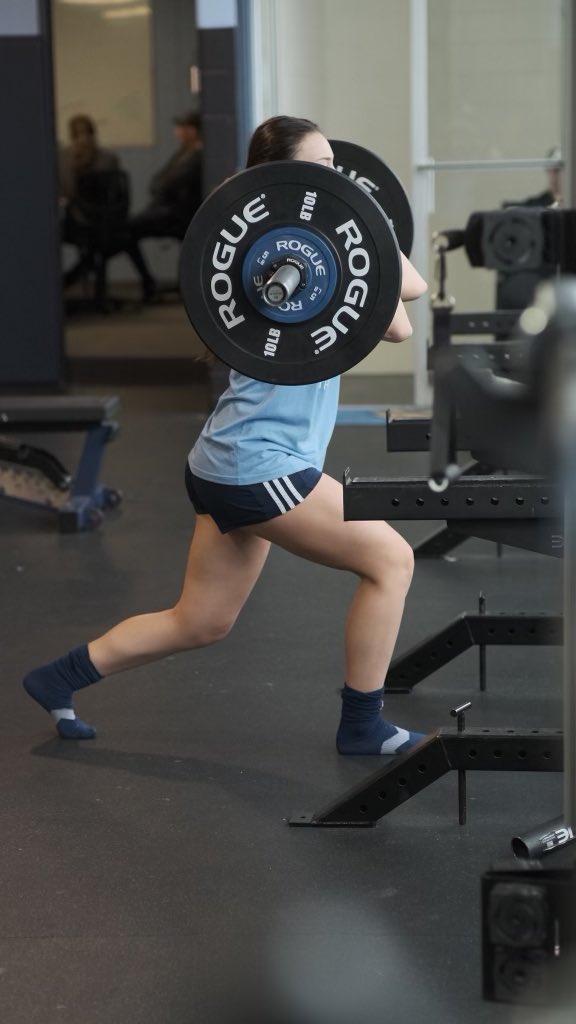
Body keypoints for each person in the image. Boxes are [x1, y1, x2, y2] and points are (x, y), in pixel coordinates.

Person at [23, 115, 428, 758]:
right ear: (282, 177)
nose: (336, 182)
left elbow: (398, 317)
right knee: (391, 561)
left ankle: (57, 678)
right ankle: (362, 725)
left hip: (228, 457)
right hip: (260, 463)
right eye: (321, 171)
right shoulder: (275, 256)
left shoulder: (315, 249)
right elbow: (408, 301)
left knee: (201, 620)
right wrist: (354, 216)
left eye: (336, 172)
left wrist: (346, 212)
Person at [124, 111, 204, 298]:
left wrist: (164, 189)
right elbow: (157, 182)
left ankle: (149, 283)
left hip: (181, 216)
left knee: (127, 229)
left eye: (181, 128)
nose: (176, 132)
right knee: (124, 230)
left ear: (192, 131)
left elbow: (167, 183)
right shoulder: (183, 153)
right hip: (167, 210)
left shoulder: (199, 156)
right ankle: (148, 283)